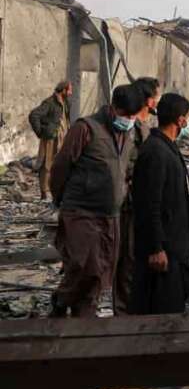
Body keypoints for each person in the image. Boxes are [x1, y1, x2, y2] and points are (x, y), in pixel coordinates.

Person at [49, 84, 143, 317]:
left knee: (101, 271)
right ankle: (62, 299)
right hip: (82, 212)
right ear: (113, 108)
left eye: (133, 116)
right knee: (84, 266)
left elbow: (127, 166)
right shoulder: (85, 128)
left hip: (111, 216)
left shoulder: (130, 133)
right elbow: (60, 167)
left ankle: (84, 318)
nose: (129, 120)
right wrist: (59, 199)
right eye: (125, 115)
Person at [129, 93, 189, 315]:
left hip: (174, 247)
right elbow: (149, 204)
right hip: (163, 252)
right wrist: (156, 248)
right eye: (188, 117)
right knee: (159, 313)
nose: (188, 121)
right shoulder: (156, 152)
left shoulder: (167, 148)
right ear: (180, 120)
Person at [115, 76, 161, 316]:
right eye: (156, 97)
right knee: (126, 261)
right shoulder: (128, 129)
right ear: (149, 101)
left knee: (135, 260)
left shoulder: (144, 129)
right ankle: (124, 314)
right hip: (125, 205)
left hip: (139, 204)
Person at [29, 80, 72, 200]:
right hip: (51, 138)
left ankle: (56, 191)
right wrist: (41, 132)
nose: (71, 93)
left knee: (60, 165)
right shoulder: (50, 102)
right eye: (69, 90)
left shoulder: (66, 103)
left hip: (63, 138)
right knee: (47, 165)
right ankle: (45, 192)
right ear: (63, 90)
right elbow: (34, 115)